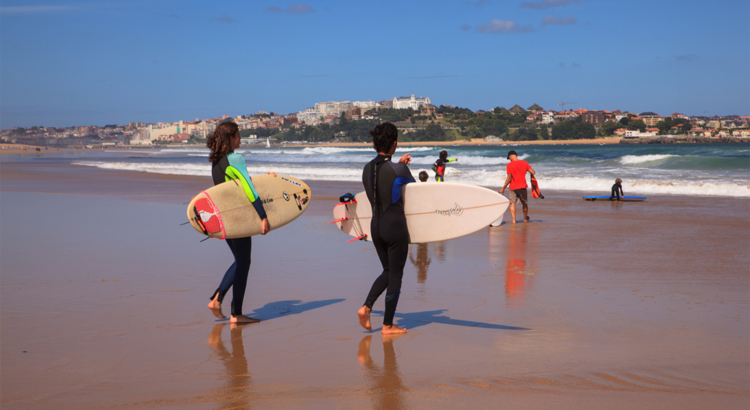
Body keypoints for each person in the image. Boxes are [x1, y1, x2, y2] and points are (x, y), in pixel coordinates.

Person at [205, 121, 275, 324]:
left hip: (224, 219)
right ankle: (231, 310)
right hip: (239, 219)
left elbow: (236, 184)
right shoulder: (236, 159)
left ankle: (222, 302)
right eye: (238, 135)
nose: (240, 139)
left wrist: (268, 180)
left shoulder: (217, 162)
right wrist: (263, 216)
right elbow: (249, 190)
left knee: (241, 261)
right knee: (244, 262)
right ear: (230, 138)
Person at [357, 123, 414, 335]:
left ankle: (366, 307)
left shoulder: (366, 169)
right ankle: (388, 325)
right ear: (394, 143)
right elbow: (416, 193)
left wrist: (396, 164)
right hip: (395, 227)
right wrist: (402, 165)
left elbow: (382, 181)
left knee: (388, 271)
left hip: (376, 228)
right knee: (396, 274)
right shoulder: (400, 169)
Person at [499, 150, 536, 223]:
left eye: (509, 158)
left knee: (512, 203)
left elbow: (509, 178)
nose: (509, 159)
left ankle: (513, 221)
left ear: (510, 156)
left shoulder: (509, 165)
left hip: (512, 187)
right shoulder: (524, 163)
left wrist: (503, 188)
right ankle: (525, 219)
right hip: (522, 187)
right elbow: (533, 172)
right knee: (524, 203)